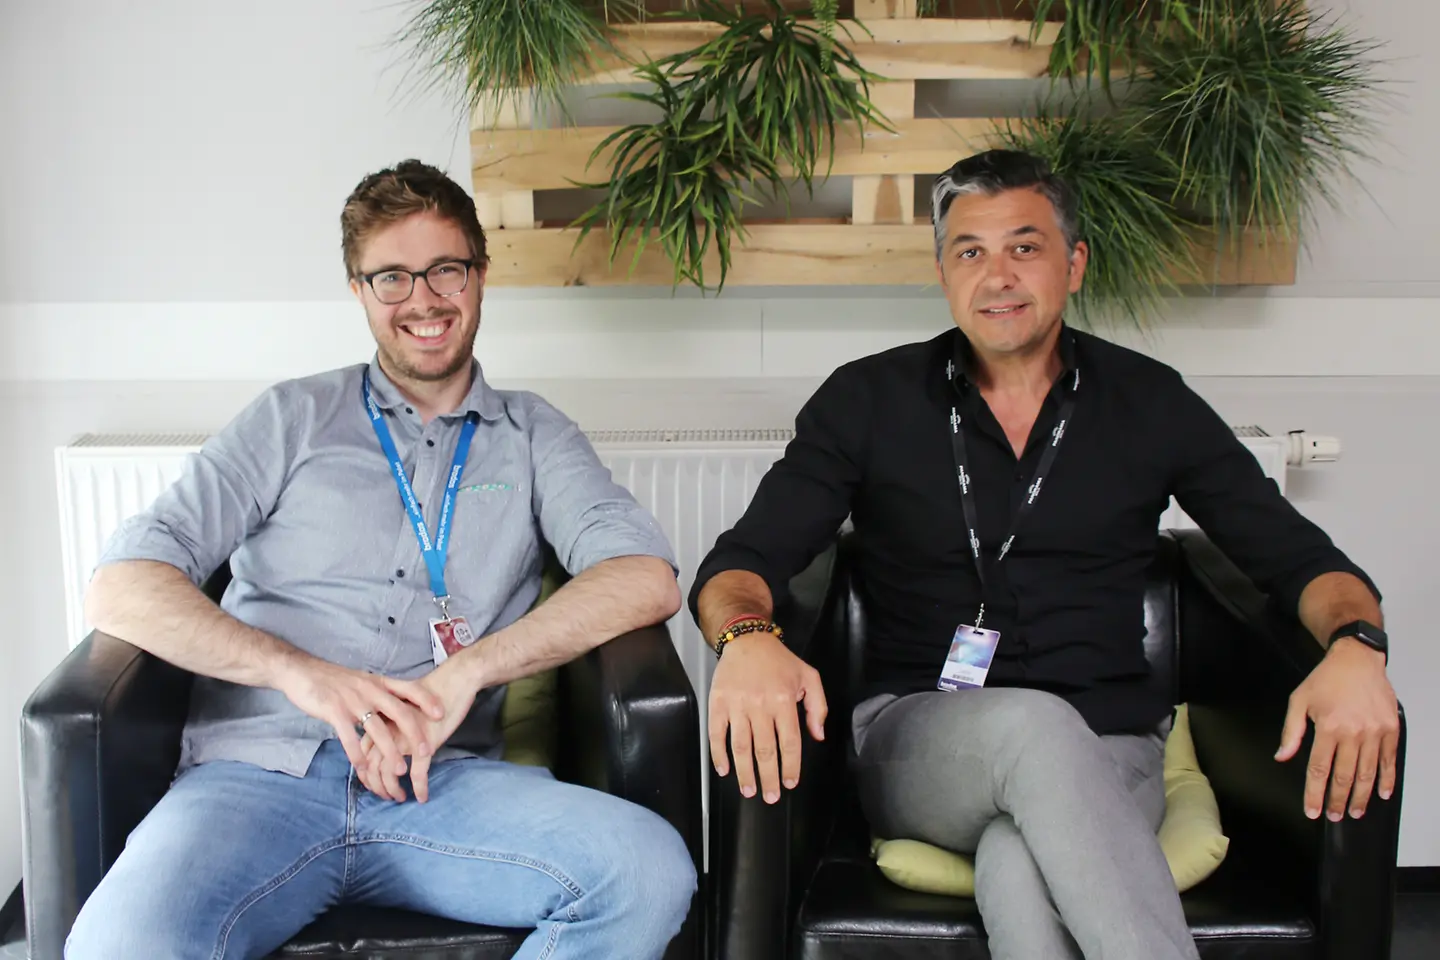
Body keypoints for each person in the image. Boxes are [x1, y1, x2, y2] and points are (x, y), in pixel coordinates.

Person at [691, 150, 1399, 960]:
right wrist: (746, 640)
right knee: (1032, 725)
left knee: (1019, 861)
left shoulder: (1150, 400)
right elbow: (738, 568)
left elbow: (1303, 561)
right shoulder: (867, 399)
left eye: (1024, 247)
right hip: (922, 739)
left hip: (1112, 749)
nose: (997, 276)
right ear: (943, 272)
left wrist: (1358, 644)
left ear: (1074, 262)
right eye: (970, 252)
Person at [69, 160, 696, 960]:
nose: (423, 300)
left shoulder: (536, 434)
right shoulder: (290, 417)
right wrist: (305, 676)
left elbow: (644, 575)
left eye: (444, 270)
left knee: (644, 871)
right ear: (359, 292)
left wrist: (468, 672)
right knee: (118, 944)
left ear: (479, 276)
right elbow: (122, 586)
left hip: (442, 787)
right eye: (391, 278)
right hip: (258, 779)